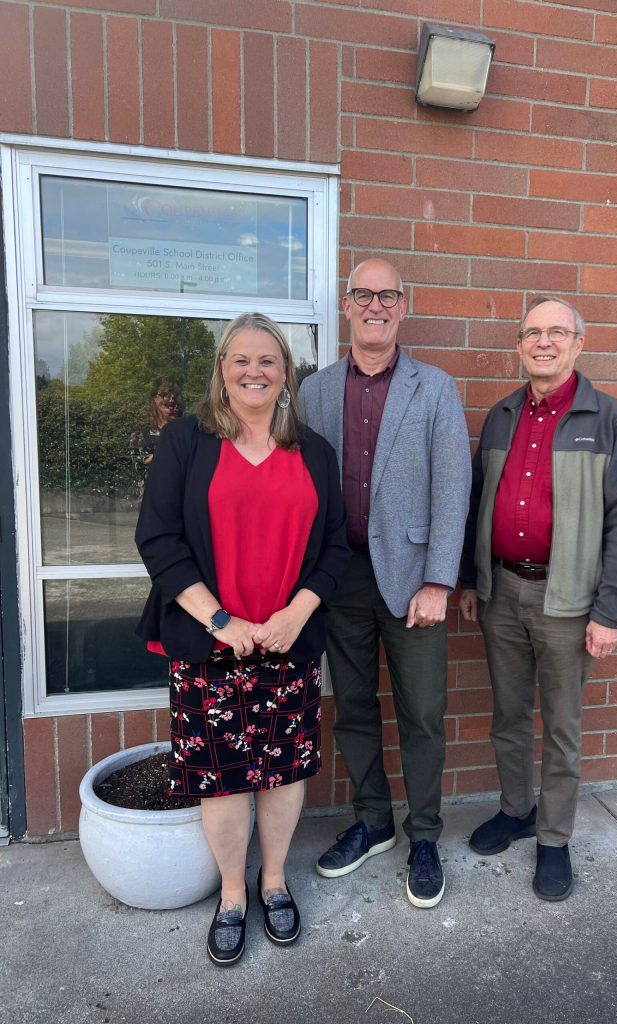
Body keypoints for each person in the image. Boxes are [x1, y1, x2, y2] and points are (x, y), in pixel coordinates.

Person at [135, 313, 349, 965]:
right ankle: (233, 894)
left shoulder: (313, 451)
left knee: (281, 773)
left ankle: (274, 879)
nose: (254, 372)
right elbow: (159, 540)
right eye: (240, 360)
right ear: (222, 369)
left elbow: (335, 548)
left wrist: (294, 615)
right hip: (209, 645)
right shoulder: (185, 442)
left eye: (268, 361)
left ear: (287, 373)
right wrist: (221, 621)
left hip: (288, 644)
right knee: (223, 780)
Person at [459, 296, 617, 902]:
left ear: (578, 344)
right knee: (509, 717)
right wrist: (470, 579)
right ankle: (516, 811)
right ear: (519, 344)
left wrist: (608, 611)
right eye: (532, 332)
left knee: (562, 729)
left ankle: (554, 839)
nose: (544, 342)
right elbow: (476, 502)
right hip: (503, 592)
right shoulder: (502, 416)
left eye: (557, 332)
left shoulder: (608, 418)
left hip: (569, 602)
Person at [298, 258, 471, 909]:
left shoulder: (435, 388)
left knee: (423, 713)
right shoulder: (315, 390)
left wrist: (439, 580)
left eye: (387, 295)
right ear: (346, 305)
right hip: (339, 580)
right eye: (364, 294)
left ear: (404, 305)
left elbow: (454, 490)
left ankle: (423, 835)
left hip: (412, 586)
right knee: (354, 709)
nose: (376, 304)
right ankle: (373, 820)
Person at [130, 380, 184, 492]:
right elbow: (138, 464)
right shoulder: (142, 430)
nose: (171, 399)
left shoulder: (187, 427)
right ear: (154, 399)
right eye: (165, 395)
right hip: (153, 496)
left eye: (175, 395)